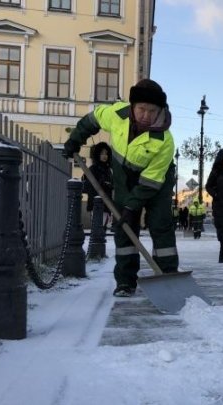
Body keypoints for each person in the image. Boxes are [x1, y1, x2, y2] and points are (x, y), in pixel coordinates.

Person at [63, 78, 179, 297]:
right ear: (132, 106)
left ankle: (168, 275)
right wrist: (75, 140)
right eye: (142, 109)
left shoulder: (164, 140)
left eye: (152, 111)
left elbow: (151, 181)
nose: (146, 115)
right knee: (124, 227)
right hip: (124, 178)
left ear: (160, 110)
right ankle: (125, 282)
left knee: (160, 225)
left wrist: (133, 206)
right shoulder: (117, 115)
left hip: (157, 182)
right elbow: (92, 119)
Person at [82, 142, 114, 230]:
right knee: (97, 231)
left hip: (107, 204)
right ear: (97, 155)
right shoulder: (93, 169)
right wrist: (103, 184)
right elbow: (87, 185)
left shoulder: (109, 170)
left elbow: (112, 185)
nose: (105, 156)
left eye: (106, 154)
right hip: (96, 204)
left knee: (102, 231)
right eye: (102, 153)